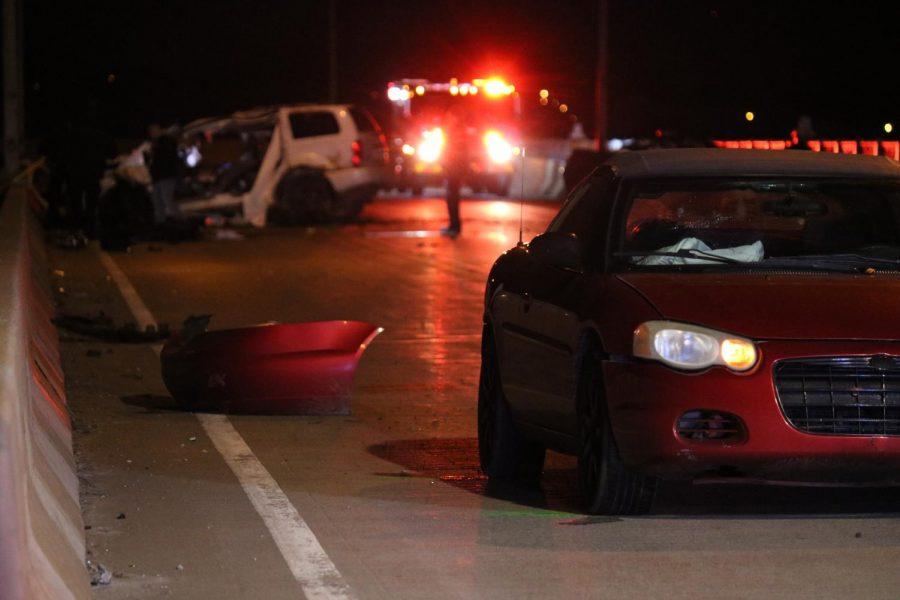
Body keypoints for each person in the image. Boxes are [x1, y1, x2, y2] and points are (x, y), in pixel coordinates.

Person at [441, 107, 468, 237]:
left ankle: (454, 226)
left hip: (454, 170)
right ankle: (453, 225)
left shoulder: (456, 133)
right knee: (451, 198)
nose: (448, 119)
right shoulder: (452, 132)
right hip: (452, 169)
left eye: (450, 116)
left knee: (452, 198)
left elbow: (457, 154)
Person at [146, 124, 181, 224]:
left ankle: (178, 221)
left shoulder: (166, 142)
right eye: (151, 131)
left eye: (154, 130)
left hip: (166, 176)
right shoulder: (156, 143)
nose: (152, 133)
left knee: (168, 200)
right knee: (157, 201)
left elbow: (168, 159)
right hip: (158, 177)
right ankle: (160, 222)